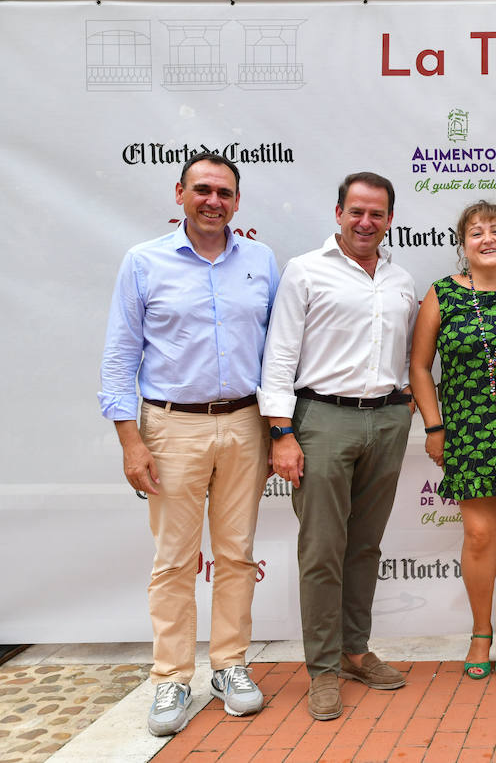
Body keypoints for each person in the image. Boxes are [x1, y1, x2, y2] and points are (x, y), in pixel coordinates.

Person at [100, 152, 278, 736]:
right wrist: (131, 441)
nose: (213, 201)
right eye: (202, 190)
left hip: (246, 424)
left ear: (236, 202)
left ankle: (230, 665)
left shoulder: (259, 260)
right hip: (171, 426)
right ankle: (171, 677)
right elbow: (120, 356)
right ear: (179, 194)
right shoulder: (144, 261)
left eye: (224, 193)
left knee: (236, 553)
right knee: (174, 559)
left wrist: (279, 429)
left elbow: (278, 353)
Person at [259, 172, 417, 721]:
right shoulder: (306, 271)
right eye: (356, 211)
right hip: (321, 420)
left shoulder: (400, 279)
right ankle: (322, 671)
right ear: (339, 213)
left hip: (387, 421)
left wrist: (405, 402)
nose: (366, 222)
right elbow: (279, 355)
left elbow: (406, 354)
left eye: (377, 213)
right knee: (322, 550)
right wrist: (281, 433)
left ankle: (355, 651)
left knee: (364, 547)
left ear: (390, 218)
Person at [410, 200, 496, 682]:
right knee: (479, 535)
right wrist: (434, 426)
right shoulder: (443, 294)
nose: (487, 238)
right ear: (462, 244)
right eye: (476, 232)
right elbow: (420, 367)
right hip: (467, 434)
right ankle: (478, 631)